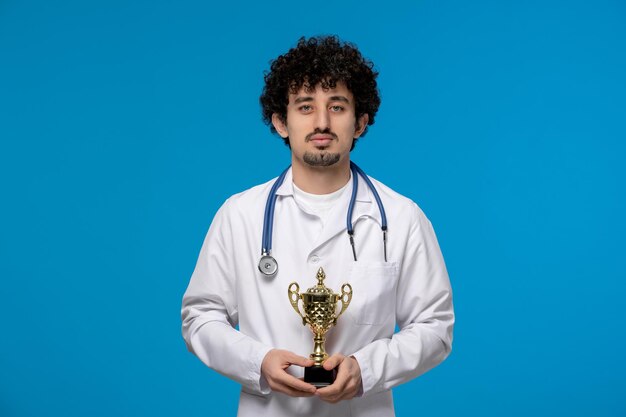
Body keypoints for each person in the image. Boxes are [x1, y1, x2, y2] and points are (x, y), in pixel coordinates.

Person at [181, 35, 454, 417]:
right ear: (281, 121)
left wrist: (366, 369)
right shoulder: (239, 215)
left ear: (360, 122)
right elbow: (201, 316)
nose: (322, 122)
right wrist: (258, 361)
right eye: (305, 107)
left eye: (337, 106)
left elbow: (435, 328)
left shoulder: (402, 218)